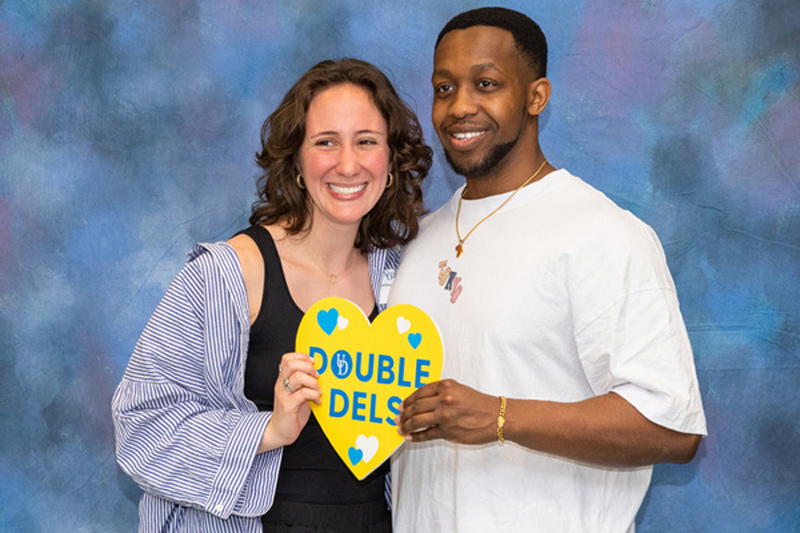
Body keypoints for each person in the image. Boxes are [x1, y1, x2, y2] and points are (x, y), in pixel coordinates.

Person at [389, 7, 707, 532]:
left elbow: (672, 428)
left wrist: (499, 417)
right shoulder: (419, 240)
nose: (459, 107)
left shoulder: (603, 234)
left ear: (536, 96)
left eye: (486, 84)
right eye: (444, 88)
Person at [112, 58, 432, 532]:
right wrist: (268, 429)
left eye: (367, 141)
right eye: (326, 142)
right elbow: (139, 428)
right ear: (298, 161)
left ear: (391, 162)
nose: (348, 164)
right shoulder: (228, 274)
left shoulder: (405, 275)